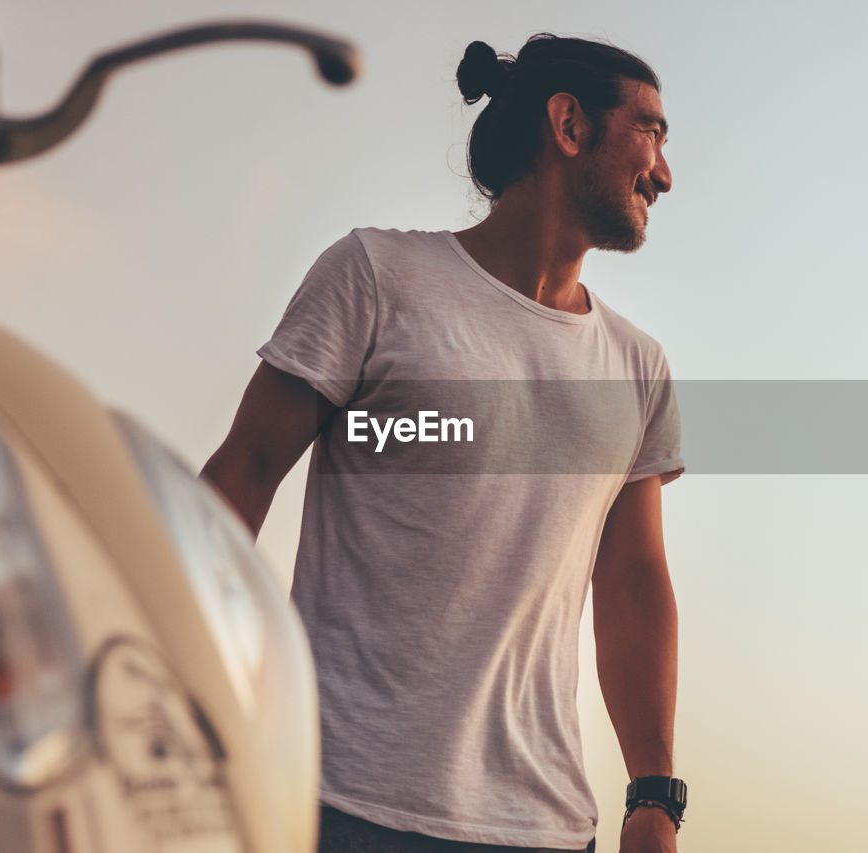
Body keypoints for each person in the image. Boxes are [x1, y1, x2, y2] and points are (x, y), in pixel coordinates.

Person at [202, 33, 686, 853]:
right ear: (569, 124)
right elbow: (241, 475)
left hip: (543, 826)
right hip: (333, 796)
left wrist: (654, 793)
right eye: (651, 132)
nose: (664, 173)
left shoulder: (638, 366)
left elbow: (634, 579)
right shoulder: (376, 277)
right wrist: (189, 677)